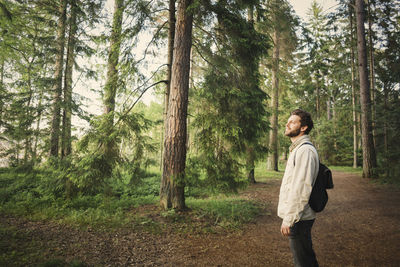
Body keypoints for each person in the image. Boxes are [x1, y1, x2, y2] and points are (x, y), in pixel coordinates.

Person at [278, 109, 319, 267]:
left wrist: (289, 219)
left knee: (303, 262)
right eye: (288, 121)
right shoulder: (298, 149)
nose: (287, 124)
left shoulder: (305, 151)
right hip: (298, 217)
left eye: (292, 122)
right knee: (305, 259)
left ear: (303, 128)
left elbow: (301, 188)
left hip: (299, 218)